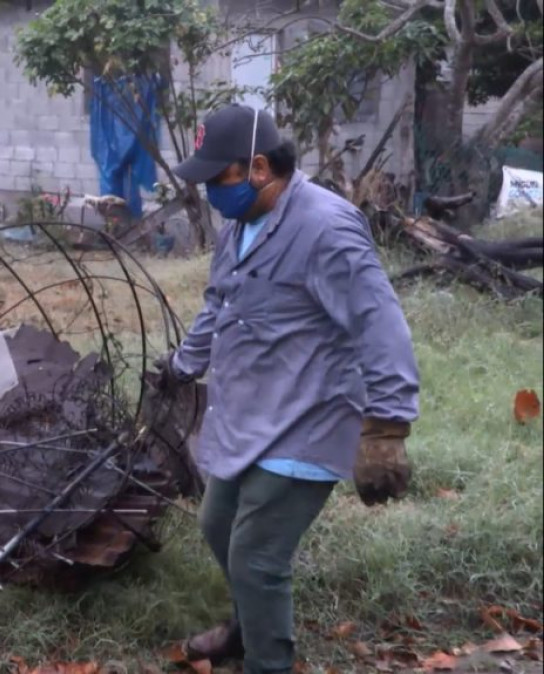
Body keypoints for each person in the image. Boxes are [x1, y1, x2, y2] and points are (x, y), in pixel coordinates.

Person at [155, 103, 420, 673]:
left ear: (256, 167)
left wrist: (388, 426)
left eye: (215, 178)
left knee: (256, 555)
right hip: (254, 411)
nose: (208, 192)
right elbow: (218, 305)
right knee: (217, 523)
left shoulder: (325, 227)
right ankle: (249, 627)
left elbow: (379, 321)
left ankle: (266, 660)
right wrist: (182, 364)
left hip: (311, 415)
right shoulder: (239, 227)